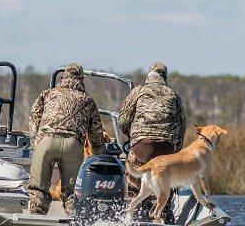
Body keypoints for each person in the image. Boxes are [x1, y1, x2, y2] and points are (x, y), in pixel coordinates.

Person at [26, 62, 108, 215]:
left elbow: (34, 118)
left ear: (63, 77)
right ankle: (74, 221)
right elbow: (96, 133)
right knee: (72, 195)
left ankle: (36, 218)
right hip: (73, 145)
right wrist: (100, 156)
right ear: (81, 79)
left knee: (38, 192)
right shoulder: (87, 100)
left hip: (47, 142)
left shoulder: (47, 94)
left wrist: (35, 143)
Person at [119, 61, 186, 215]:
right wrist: (176, 150)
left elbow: (122, 120)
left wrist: (131, 135)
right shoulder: (174, 95)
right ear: (164, 77)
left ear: (149, 76)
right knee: (164, 180)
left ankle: (131, 212)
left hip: (141, 147)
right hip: (165, 148)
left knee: (133, 178)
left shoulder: (138, 91)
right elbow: (182, 125)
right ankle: (162, 213)